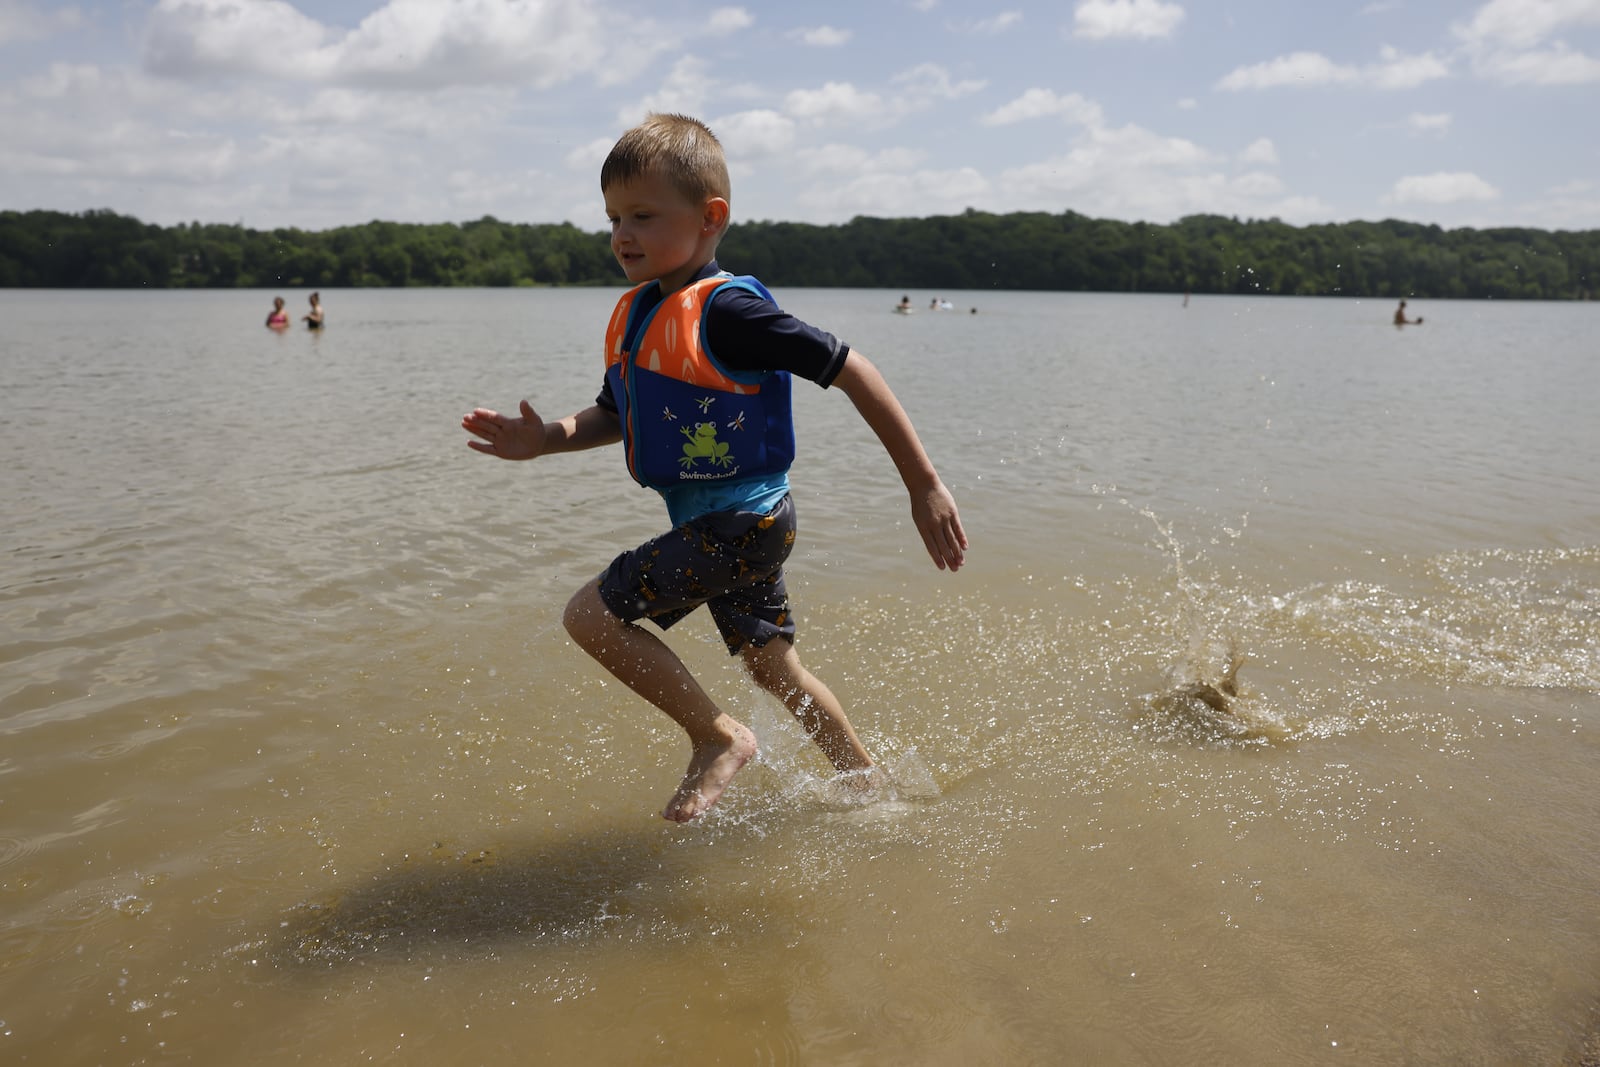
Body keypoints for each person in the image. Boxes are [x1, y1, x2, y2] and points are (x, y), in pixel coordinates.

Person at [462, 113, 967, 823]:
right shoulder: (642, 314)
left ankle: (715, 734)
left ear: (710, 217)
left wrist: (924, 486)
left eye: (642, 215)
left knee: (589, 616)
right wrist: (545, 437)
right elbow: (614, 414)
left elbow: (854, 369)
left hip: (741, 523)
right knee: (772, 666)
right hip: (742, 525)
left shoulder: (728, 310)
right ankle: (867, 789)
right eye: (612, 217)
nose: (622, 235)